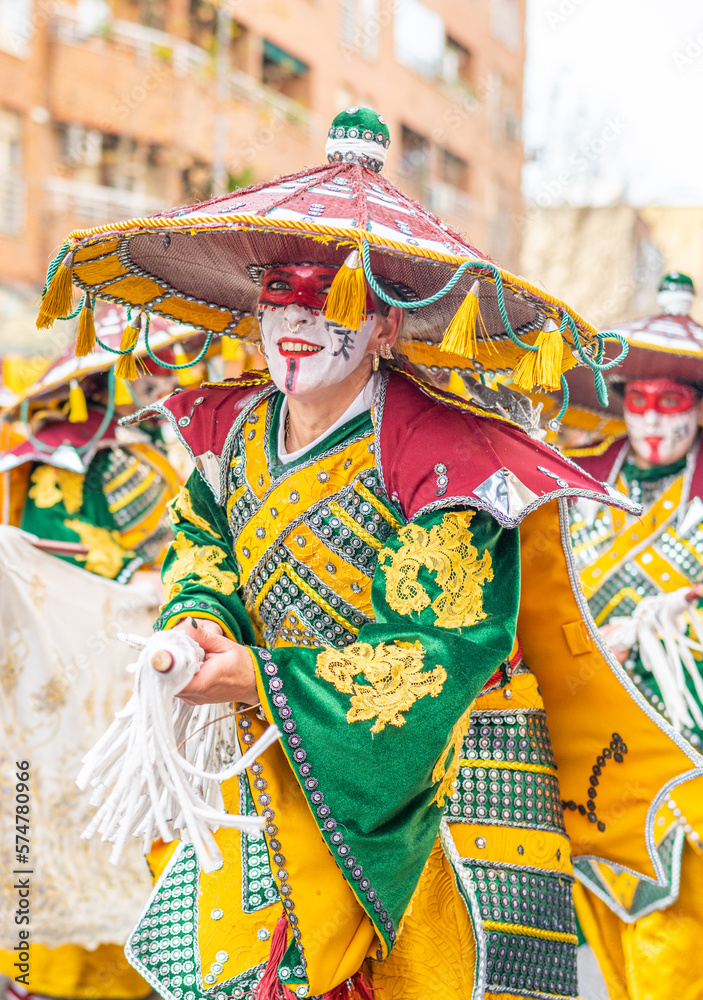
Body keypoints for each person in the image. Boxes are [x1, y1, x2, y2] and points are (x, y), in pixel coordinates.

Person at [38, 110, 703, 1000]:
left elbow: (442, 649)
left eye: (331, 297)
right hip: (278, 758)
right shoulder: (231, 432)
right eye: (279, 293)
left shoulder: (452, 456)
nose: (297, 321)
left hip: (446, 785)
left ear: (387, 329)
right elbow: (206, 544)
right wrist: (196, 620)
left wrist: (258, 680)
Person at [0, 306, 204, 1000]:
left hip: (97, 654)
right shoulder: (94, 457)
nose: (165, 377)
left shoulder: (50, 449)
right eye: (154, 362)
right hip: (97, 653)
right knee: (91, 797)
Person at [565, 271, 703, 1000]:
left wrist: (665, 628)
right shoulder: (577, 481)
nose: (651, 420)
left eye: (671, 402)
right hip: (584, 736)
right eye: (639, 402)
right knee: (604, 918)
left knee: (674, 927)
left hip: (681, 742)